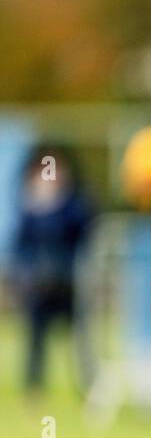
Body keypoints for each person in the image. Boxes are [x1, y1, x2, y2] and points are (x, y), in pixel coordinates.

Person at [10, 143, 95, 397]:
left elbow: (84, 230)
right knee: (36, 341)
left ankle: (88, 388)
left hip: (68, 283)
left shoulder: (72, 205)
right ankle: (34, 391)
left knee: (79, 341)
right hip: (40, 286)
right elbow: (22, 245)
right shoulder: (30, 208)